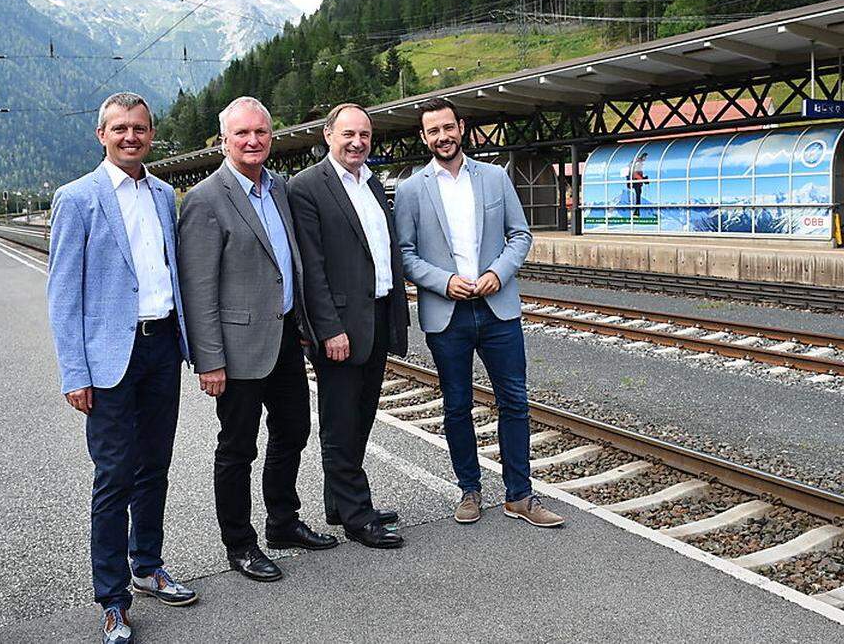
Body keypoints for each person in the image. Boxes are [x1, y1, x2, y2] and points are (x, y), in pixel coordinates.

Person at [47, 91, 196, 644]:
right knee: (113, 477)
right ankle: (112, 599)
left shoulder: (162, 194)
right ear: (101, 135)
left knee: (154, 465)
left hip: (161, 349)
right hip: (110, 358)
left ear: (151, 133)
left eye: (140, 128)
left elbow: (169, 272)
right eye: (120, 128)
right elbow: (63, 293)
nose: (130, 136)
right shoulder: (77, 198)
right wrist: (74, 372)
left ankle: (148, 565)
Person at [177, 96, 337, 584]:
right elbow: (198, 286)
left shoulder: (280, 188)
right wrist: (209, 360)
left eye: (261, 133)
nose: (252, 141)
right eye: (242, 133)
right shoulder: (206, 198)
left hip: (286, 336)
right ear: (224, 139)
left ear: (272, 137)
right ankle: (240, 544)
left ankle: (282, 523)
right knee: (237, 447)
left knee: (293, 431)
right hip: (237, 347)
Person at [394, 97, 564, 529]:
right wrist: (443, 281)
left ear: (462, 127)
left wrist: (498, 273)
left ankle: (520, 496)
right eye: (433, 131)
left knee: (515, 401)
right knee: (456, 405)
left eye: (448, 127)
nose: (442, 136)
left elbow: (519, 235)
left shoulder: (494, 178)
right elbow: (406, 254)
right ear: (424, 137)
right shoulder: (412, 190)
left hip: (497, 309)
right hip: (446, 313)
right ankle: (469, 490)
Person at [288, 103, 409, 549]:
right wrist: (327, 328)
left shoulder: (372, 183)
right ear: (328, 135)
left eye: (364, 134)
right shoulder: (307, 187)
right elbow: (311, 268)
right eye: (348, 134)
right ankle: (359, 517)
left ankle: (340, 502)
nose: (357, 142)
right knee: (340, 421)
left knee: (361, 414)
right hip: (339, 323)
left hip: (376, 313)